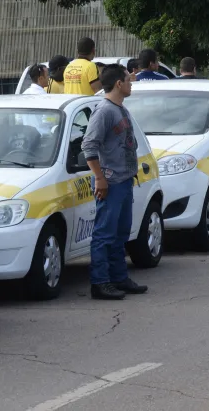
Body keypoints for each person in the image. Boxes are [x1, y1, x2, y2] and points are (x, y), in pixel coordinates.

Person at [80, 64, 147, 300]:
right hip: (111, 181)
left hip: (125, 180)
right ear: (118, 83)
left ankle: (119, 277)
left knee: (120, 233)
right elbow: (89, 146)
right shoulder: (104, 111)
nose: (131, 84)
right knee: (104, 234)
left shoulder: (121, 109)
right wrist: (99, 178)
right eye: (128, 80)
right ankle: (100, 282)